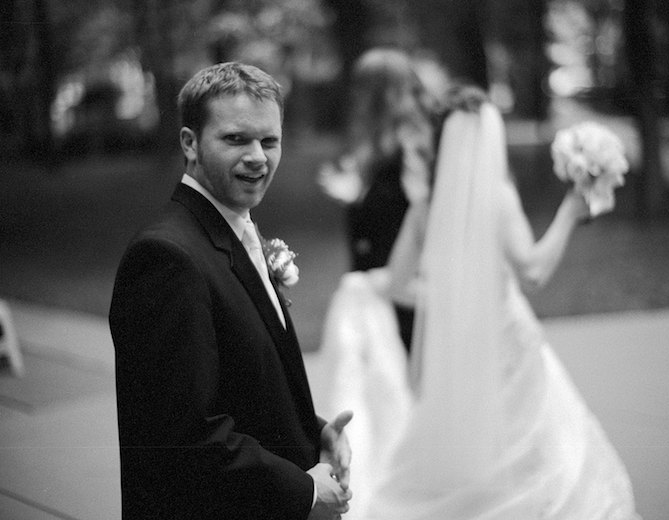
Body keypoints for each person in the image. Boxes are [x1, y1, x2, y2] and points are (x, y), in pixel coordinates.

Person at [320, 99, 641, 518]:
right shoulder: (498, 198)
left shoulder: (424, 207)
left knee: (461, 447)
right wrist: (568, 212)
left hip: (457, 351)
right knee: (534, 448)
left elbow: (397, 286)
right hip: (509, 345)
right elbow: (534, 273)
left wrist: (450, 300)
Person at [109, 62, 352, 520]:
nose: (258, 156)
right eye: (236, 139)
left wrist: (312, 431)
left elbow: (240, 384)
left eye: (269, 140)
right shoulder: (166, 259)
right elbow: (183, 436)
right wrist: (304, 491)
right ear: (190, 143)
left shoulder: (232, 231)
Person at [317, 47, 474, 352]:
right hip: (376, 280)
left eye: (363, 87)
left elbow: (426, 210)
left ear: (379, 92)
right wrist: (356, 193)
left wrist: (360, 194)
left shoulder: (412, 139)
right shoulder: (381, 138)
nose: (356, 96)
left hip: (401, 284)